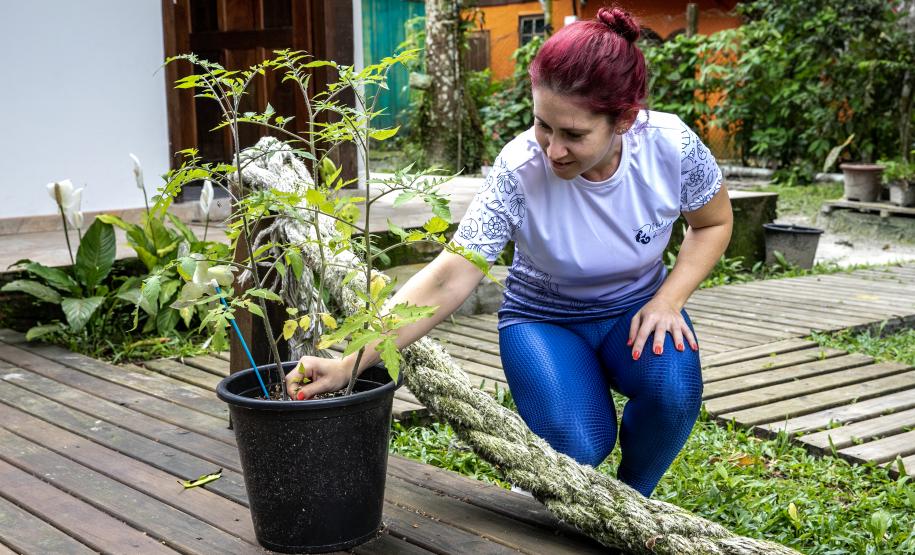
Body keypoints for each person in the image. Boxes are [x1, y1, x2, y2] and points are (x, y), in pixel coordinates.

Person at [288, 7, 732, 498]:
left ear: (624, 120)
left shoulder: (671, 147)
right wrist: (350, 361)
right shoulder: (519, 169)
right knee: (580, 443)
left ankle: (634, 505)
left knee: (675, 391)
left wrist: (669, 301)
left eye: (574, 135)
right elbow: (450, 274)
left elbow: (711, 223)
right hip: (544, 319)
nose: (553, 150)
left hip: (636, 309)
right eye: (543, 125)